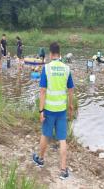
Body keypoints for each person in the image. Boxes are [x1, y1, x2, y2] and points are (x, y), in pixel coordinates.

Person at [32, 42, 74, 180]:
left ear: (50, 54)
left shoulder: (47, 68)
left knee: (45, 134)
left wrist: (41, 110)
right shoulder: (66, 69)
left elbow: (43, 90)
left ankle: (41, 159)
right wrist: (71, 106)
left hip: (49, 109)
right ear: (60, 54)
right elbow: (71, 89)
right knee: (62, 139)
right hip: (61, 110)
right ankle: (63, 170)